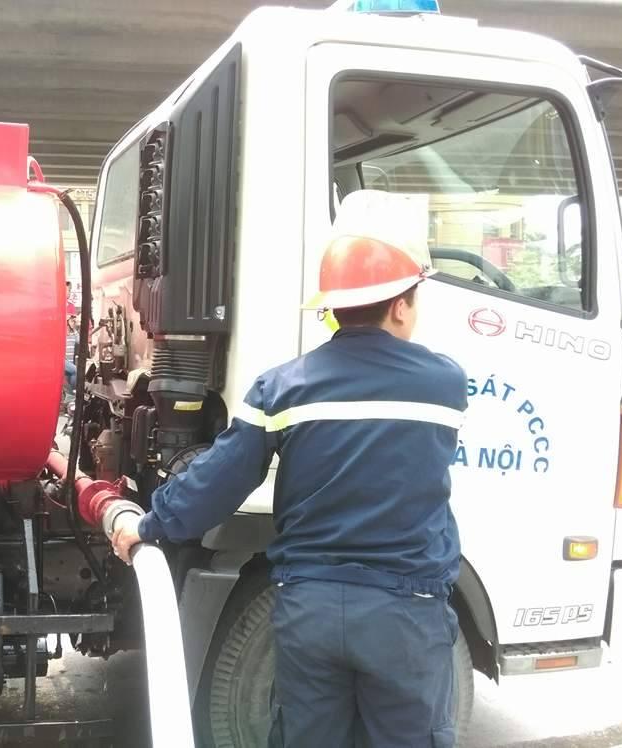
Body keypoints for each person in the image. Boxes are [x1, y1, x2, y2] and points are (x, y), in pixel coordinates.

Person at [109, 190, 468, 748]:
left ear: (332, 307)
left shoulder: (281, 388)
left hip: (311, 610)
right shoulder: (444, 385)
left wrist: (148, 525)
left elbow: (220, 481)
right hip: (405, 614)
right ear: (401, 304)